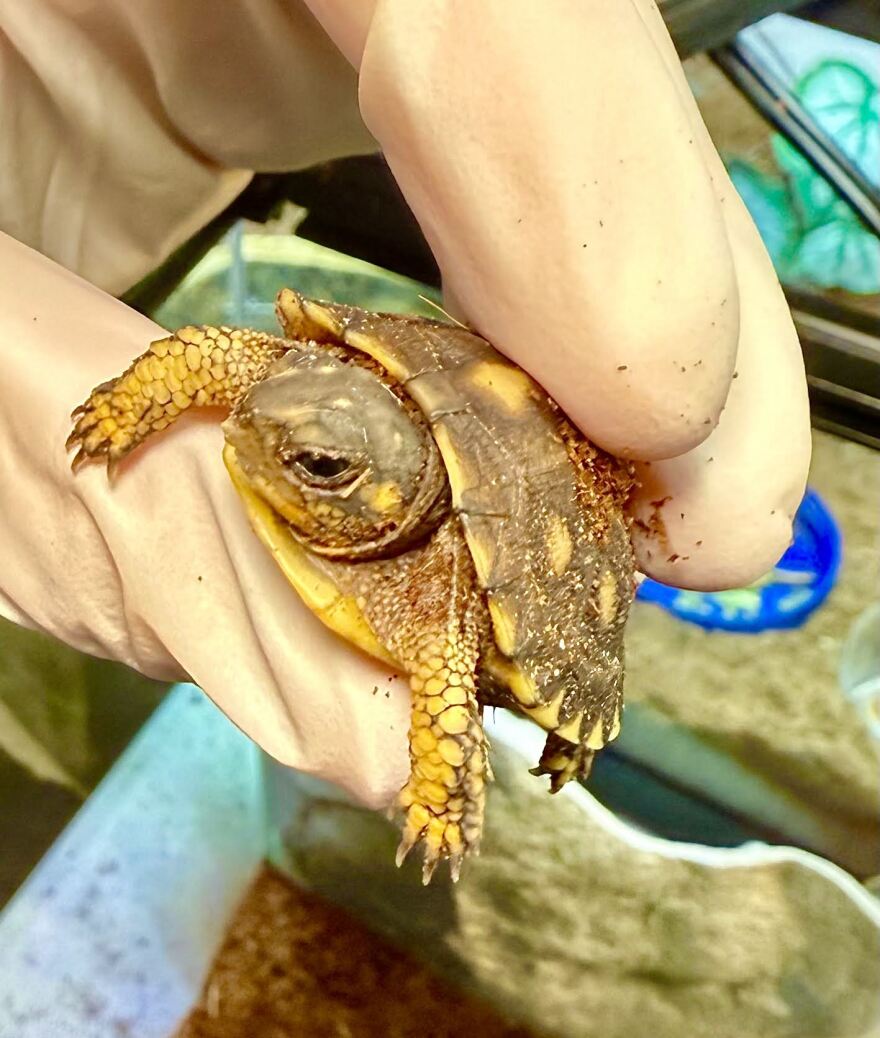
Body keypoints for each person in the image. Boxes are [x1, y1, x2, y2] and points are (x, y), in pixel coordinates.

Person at [0, 1, 810, 808]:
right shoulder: (296, 396)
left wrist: (443, 790)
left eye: (319, 466)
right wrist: (131, 402)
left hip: (525, 536)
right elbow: (227, 360)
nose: (264, 422)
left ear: (390, 509)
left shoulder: (439, 600)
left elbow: (446, 671)